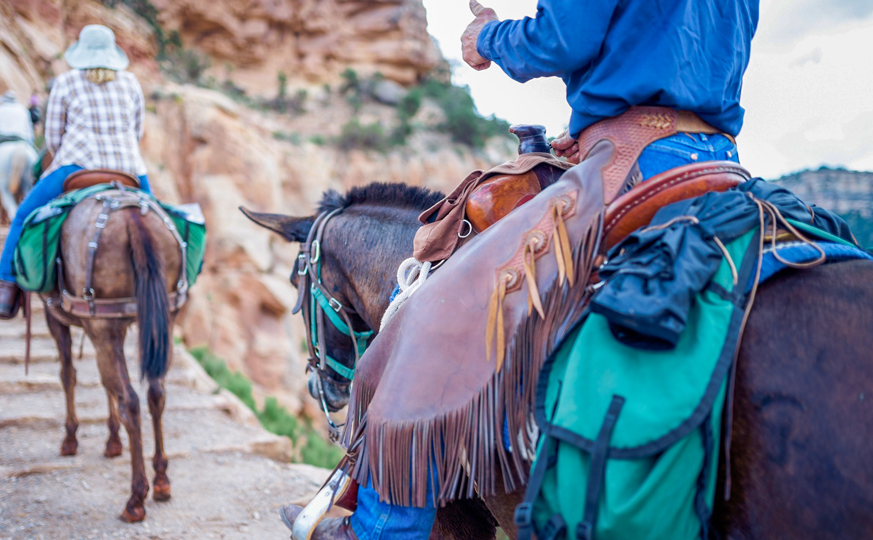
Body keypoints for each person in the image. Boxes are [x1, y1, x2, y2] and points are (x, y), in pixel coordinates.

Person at [279, 0, 758, 538]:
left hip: (629, 169)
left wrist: (487, 37)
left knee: (431, 318)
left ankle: (379, 527)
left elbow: (561, 38)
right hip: (721, 166)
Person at [0, 24, 153, 319]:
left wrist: (71, 153)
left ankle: (6, 289)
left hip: (77, 165)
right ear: (113, 53)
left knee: (23, 215)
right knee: (158, 220)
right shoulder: (131, 82)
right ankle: (170, 287)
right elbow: (137, 131)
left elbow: (53, 136)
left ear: (81, 51)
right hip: (128, 169)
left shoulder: (65, 81)